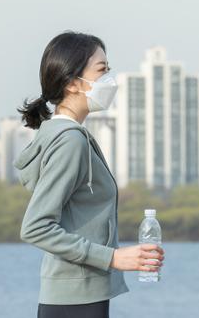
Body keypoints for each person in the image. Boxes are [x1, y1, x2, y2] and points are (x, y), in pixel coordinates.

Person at [14, 30, 164, 318]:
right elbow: (35, 226)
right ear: (72, 83)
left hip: (79, 295)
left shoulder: (63, 135)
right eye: (102, 70)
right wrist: (114, 257)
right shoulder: (70, 141)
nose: (110, 80)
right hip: (75, 301)